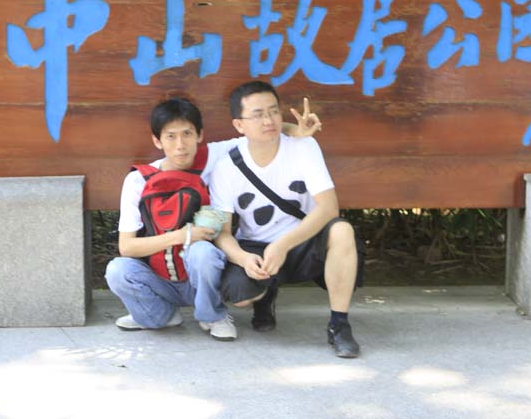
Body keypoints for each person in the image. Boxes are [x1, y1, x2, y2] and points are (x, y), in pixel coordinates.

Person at [105, 96, 321, 341]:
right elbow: (127, 247)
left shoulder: (214, 156)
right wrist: (183, 235)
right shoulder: (138, 180)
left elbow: (258, 132)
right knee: (117, 270)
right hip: (159, 276)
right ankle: (160, 315)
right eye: (171, 136)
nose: (180, 145)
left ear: (199, 135)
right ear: (157, 140)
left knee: (203, 252)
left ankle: (212, 315)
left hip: (203, 272)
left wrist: (297, 130)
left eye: (187, 134)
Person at [209, 81, 363, 358]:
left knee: (341, 230)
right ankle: (265, 295)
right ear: (239, 125)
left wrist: (283, 245)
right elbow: (222, 233)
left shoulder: (304, 146)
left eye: (273, 111)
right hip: (257, 248)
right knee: (239, 296)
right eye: (258, 115)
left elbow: (329, 208)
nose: (268, 121)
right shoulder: (225, 166)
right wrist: (244, 259)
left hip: (303, 241)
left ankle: (339, 325)